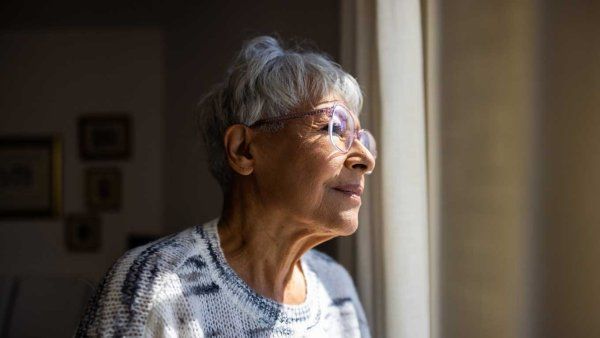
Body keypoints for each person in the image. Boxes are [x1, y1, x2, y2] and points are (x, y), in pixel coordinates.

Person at [76, 35, 376, 337]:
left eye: (362, 139)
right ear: (243, 149)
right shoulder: (153, 286)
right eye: (334, 129)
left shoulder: (335, 286)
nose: (366, 159)